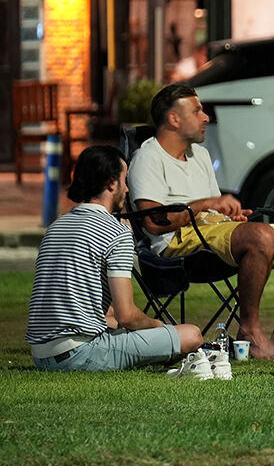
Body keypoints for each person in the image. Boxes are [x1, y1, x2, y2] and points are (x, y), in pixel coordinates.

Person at [128, 83, 274, 361]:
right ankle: (250, 333)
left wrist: (231, 216)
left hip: (213, 235)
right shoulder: (148, 157)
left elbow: (214, 217)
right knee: (259, 237)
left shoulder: (201, 156)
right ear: (173, 119)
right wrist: (210, 205)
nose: (206, 117)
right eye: (197, 111)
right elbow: (154, 222)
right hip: (178, 245)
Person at [26, 145, 204, 372]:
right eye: (124, 180)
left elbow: (106, 313)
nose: (128, 189)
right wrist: (158, 326)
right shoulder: (115, 231)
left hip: (41, 355)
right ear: (111, 183)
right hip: (80, 354)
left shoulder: (57, 225)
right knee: (191, 334)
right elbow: (127, 315)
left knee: (113, 321)